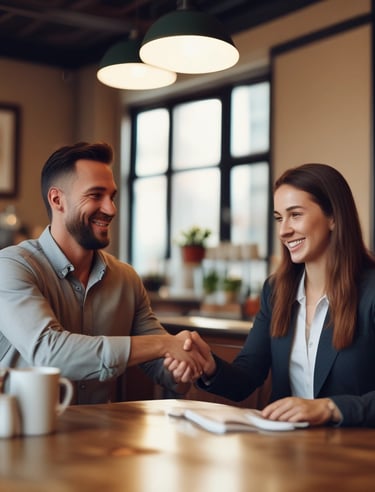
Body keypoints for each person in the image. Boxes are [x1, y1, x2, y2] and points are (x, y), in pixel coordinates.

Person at [166, 163, 375, 427]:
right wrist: (209, 366)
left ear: (333, 216)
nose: (283, 231)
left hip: (357, 455)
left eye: (295, 215)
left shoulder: (370, 291)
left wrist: (331, 408)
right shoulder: (276, 291)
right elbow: (246, 378)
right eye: (279, 218)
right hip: (287, 451)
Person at [0, 142, 204, 404]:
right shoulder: (11, 266)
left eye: (112, 196)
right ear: (57, 200)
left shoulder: (126, 280)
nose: (111, 209)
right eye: (96, 195)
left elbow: (164, 369)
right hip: (22, 437)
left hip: (101, 439)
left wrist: (183, 362)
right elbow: (49, 353)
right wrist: (164, 344)